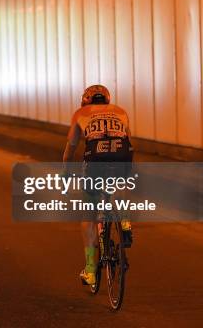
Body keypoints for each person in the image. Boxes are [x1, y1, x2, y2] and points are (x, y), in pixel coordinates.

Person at [62, 85, 134, 286]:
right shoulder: (120, 111)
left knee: (88, 213)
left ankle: (91, 270)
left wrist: (66, 171)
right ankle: (126, 220)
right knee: (122, 180)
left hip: (95, 157)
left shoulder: (80, 113)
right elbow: (130, 142)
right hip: (122, 153)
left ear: (85, 101)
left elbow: (71, 149)